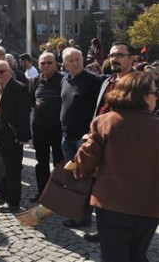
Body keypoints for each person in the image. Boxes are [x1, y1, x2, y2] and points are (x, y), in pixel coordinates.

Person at [70, 72, 159, 261]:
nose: (157, 96)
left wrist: (84, 146)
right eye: (154, 92)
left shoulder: (105, 122)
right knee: (137, 255)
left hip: (111, 204)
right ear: (141, 95)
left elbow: (84, 166)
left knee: (113, 255)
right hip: (150, 207)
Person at [83, 41, 136, 242]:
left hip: (124, 147)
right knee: (101, 188)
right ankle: (103, 229)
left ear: (131, 58)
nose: (114, 59)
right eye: (112, 55)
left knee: (123, 190)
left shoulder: (138, 83)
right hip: (100, 144)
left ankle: (125, 232)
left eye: (120, 55)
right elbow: (99, 110)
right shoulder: (107, 81)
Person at [59, 47, 102, 228]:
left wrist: (91, 134)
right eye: (71, 60)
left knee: (84, 179)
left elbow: (100, 109)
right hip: (67, 136)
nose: (75, 63)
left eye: (78, 59)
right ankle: (76, 212)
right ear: (65, 63)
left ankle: (83, 218)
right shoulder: (64, 79)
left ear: (83, 60)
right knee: (73, 178)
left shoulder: (94, 81)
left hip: (83, 138)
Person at [0, 60, 31, 213]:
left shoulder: (19, 88)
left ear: (9, 71)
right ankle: (2, 194)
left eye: (2, 71)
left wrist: (23, 136)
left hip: (13, 136)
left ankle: (13, 202)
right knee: (0, 167)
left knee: (12, 170)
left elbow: (24, 115)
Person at [28, 52, 64, 201]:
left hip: (58, 128)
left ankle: (58, 193)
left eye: (50, 62)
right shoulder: (34, 81)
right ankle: (43, 192)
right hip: (40, 128)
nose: (46, 65)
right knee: (41, 162)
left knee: (59, 162)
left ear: (56, 63)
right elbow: (31, 101)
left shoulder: (64, 80)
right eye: (43, 63)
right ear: (39, 65)